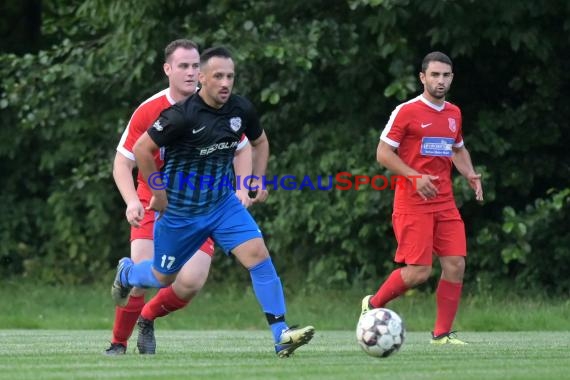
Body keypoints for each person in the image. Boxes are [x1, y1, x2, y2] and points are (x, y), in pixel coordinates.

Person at [110, 46, 315, 357]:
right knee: (160, 276)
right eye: (218, 76)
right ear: (202, 79)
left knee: (258, 255)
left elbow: (258, 142)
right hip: (180, 212)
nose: (225, 83)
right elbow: (140, 151)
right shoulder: (181, 115)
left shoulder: (240, 109)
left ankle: (281, 334)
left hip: (221, 206)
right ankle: (127, 275)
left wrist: (252, 181)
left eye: (230, 76)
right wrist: (158, 192)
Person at [105, 39, 253, 355]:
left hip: (201, 202)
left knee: (190, 282)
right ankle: (118, 344)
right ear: (167, 69)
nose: (190, 72)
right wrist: (132, 200)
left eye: (195, 66)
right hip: (153, 198)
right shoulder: (149, 110)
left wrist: (243, 187)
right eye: (183, 66)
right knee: (145, 273)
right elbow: (123, 162)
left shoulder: (222, 107)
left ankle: (147, 318)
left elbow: (243, 148)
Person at [362, 51, 483, 345]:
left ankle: (441, 335)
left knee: (456, 264)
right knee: (419, 272)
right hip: (412, 202)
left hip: (445, 201)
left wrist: (469, 173)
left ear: (452, 78)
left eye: (446, 75)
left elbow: (457, 149)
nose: (440, 81)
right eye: (435, 75)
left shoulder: (454, 113)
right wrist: (414, 176)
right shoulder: (407, 111)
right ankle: (373, 305)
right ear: (423, 78)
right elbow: (383, 153)